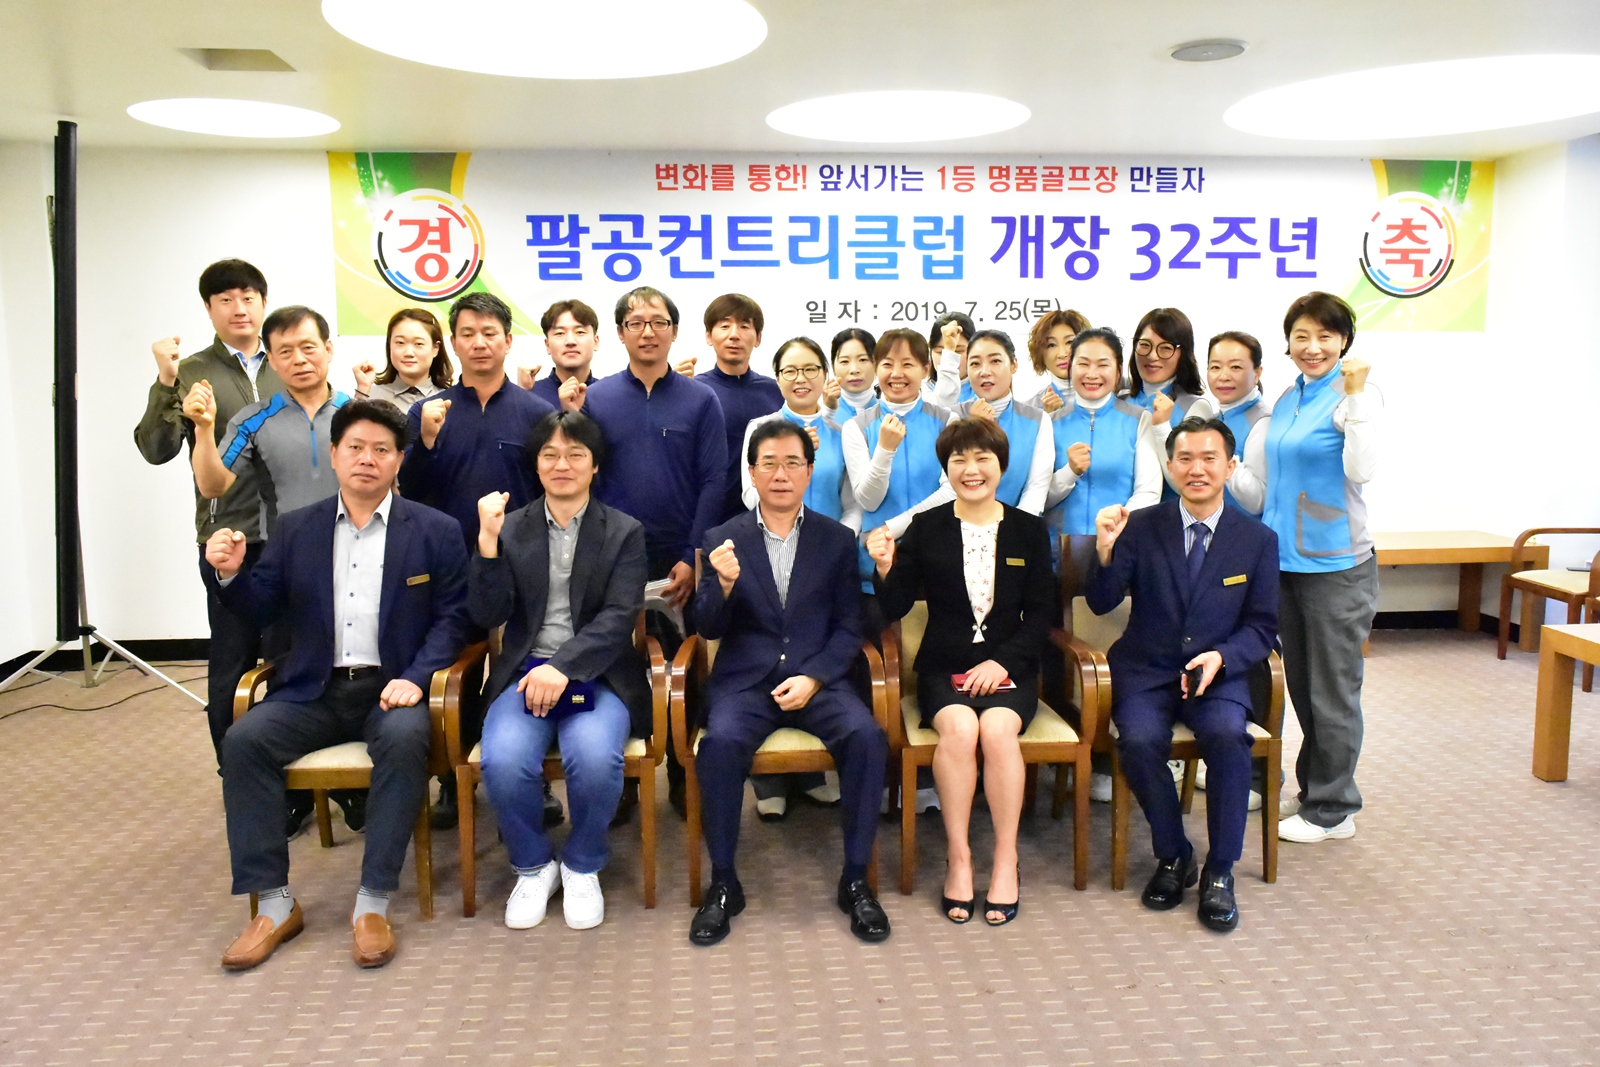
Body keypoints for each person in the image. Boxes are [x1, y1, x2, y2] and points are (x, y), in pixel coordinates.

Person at [204, 399, 470, 970]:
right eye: (355, 448)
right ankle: (273, 904)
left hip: (392, 689)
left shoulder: (436, 530)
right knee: (243, 741)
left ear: (399, 459)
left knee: (404, 740)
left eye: (381, 450)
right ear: (333, 455)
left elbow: (453, 619)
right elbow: (260, 606)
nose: (367, 459)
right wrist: (230, 573)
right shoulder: (297, 528)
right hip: (314, 690)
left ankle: (372, 903)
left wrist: (416, 678)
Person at [689, 421, 891, 947]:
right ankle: (724, 883)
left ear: (809, 472)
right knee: (719, 745)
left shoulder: (836, 539)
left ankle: (856, 879)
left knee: (867, 738)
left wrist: (815, 678)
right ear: (752, 473)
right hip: (747, 683)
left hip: (818, 679)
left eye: (792, 464)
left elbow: (850, 625)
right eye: (769, 464)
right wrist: (723, 585)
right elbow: (706, 626)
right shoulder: (722, 539)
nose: (781, 474)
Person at [1085, 416, 1279, 932]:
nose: (1197, 469)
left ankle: (1220, 870)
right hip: (1147, 669)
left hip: (1218, 674)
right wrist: (1104, 550)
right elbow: (1101, 602)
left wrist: (1224, 658)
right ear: (1170, 468)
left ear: (1230, 467)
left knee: (1227, 736)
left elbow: (1262, 626)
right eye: (1185, 459)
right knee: (1138, 741)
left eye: (1209, 458)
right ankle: (1174, 854)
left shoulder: (1257, 539)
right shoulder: (1141, 526)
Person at [867, 417, 1055, 926]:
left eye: (982, 459)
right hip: (944, 667)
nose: (971, 470)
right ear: (946, 469)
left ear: (1001, 466)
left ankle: (1006, 859)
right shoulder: (927, 527)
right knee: (959, 728)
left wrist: (1003, 662)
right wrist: (884, 567)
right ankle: (959, 857)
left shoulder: (1028, 530)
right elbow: (895, 605)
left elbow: (1043, 614)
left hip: (1010, 668)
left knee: (997, 730)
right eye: (959, 460)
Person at [470, 411, 649, 931]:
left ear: (595, 465)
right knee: (503, 761)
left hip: (599, 674)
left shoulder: (624, 531)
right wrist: (487, 544)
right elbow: (487, 613)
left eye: (575, 454)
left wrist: (563, 667)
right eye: (550, 455)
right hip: (524, 675)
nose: (562, 464)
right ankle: (532, 866)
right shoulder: (512, 526)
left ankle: (582, 863)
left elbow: (619, 618)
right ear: (536, 464)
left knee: (594, 758)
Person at [397, 291, 558, 829]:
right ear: (453, 342)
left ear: (508, 341)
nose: (479, 343)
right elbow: (410, 490)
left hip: (523, 561)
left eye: (490, 333)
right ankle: (451, 778)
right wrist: (423, 441)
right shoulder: (430, 411)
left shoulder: (536, 412)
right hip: (449, 564)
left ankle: (534, 776)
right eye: (467, 334)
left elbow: (553, 489)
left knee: (525, 663)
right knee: (454, 670)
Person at [134, 258, 283, 770]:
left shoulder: (287, 363)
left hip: (293, 534)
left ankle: (304, 775)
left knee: (294, 659)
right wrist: (165, 381)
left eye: (248, 297)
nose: (239, 308)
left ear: (263, 302)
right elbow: (155, 449)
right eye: (226, 300)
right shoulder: (193, 371)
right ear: (208, 308)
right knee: (232, 663)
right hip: (229, 537)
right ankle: (238, 773)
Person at [1263, 293, 1380, 844]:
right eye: (1302, 336)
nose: (1313, 347)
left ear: (1344, 342)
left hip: (1335, 565)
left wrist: (1354, 397)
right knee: (1305, 689)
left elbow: (1362, 469)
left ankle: (1334, 809)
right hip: (1286, 561)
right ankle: (1317, 790)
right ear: (1288, 342)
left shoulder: (1355, 395)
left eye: (1325, 337)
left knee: (1333, 691)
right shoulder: (1290, 396)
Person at [738, 336, 860, 818]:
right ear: (778, 378)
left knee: (817, 658)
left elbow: (854, 500)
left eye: (811, 369)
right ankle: (770, 781)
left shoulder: (845, 427)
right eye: (790, 370)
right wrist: (787, 467)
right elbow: (748, 497)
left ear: (824, 375)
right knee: (769, 654)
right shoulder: (761, 428)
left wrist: (836, 544)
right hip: (770, 553)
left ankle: (809, 774)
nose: (801, 378)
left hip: (826, 562)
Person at [581, 286, 727, 614]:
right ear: (620, 333)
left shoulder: (701, 399)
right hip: (611, 551)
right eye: (636, 323)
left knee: (684, 644)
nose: (648, 332)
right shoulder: (596, 398)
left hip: (679, 553)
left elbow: (714, 480)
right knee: (615, 641)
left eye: (659, 322)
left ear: (674, 331)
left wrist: (692, 556)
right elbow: (582, 480)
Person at [1044, 327, 1161, 547]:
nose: (1092, 374)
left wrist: (1115, 528)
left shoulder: (1139, 420)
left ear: (1118, 372)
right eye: (1083, 364)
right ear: (1070, 368)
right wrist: (1070, 472)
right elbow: (1039, 495)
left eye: (1102, 365)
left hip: (1121, 543)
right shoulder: (1049, 423)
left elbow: (1149, 491)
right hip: (1059, 549)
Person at [690, 294, 783, 522]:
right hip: (709, 516)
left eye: (744, 326)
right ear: (709, 336)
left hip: (768, 518)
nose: (734, 335)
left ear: (758, 337)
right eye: (724, 326)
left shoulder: (775, 391)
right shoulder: (695, 391)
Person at [956, 329, 1054, 515]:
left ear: (1014, 365)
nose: (985, 372)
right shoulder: (952, 417)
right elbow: (949, 486)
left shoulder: (1037, 420)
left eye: (995, 361)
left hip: (1020, 525)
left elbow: (1036, 487)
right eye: (975, 363)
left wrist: (1012, 527)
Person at [1204, 331, 1270, 515]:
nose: (1223, 376)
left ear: (1257, 373)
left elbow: (1257, 502)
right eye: (1215, 367)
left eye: (1235, 367)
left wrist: (1222, 457)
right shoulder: (1214, 420)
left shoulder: (1262, 422)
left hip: (1244, 529)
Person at [359, 308, 453, 415]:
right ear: (390, 345)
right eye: (400, 342)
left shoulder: (450, 399)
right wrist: (362, 392)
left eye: (419, 344)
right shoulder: (370, 397)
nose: (409, 352)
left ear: (435, 348)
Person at [529, 299, 599, 411]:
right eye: (560, 333)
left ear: (596, 342)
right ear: (547, 345)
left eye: (580, 332)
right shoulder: (531, 396)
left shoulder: (609, 395)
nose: (570, 341)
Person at [1025, 308, 1090, 411]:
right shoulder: (1028, 411)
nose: (1062, 354)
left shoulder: (1110, 400)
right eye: (1051, 345)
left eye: (1070, 342)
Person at [823, 327, 879, 420]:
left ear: (877, 364)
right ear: (833, 367)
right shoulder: (823, 414)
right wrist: (828, 411)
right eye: (844, 361)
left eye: (863, 360)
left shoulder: (889, 412)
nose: (854, 370)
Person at [925, 311, 976, 406]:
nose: (948, 359)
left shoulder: (985, 391)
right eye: (940, 352)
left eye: (958, 351)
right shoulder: (919, 392)